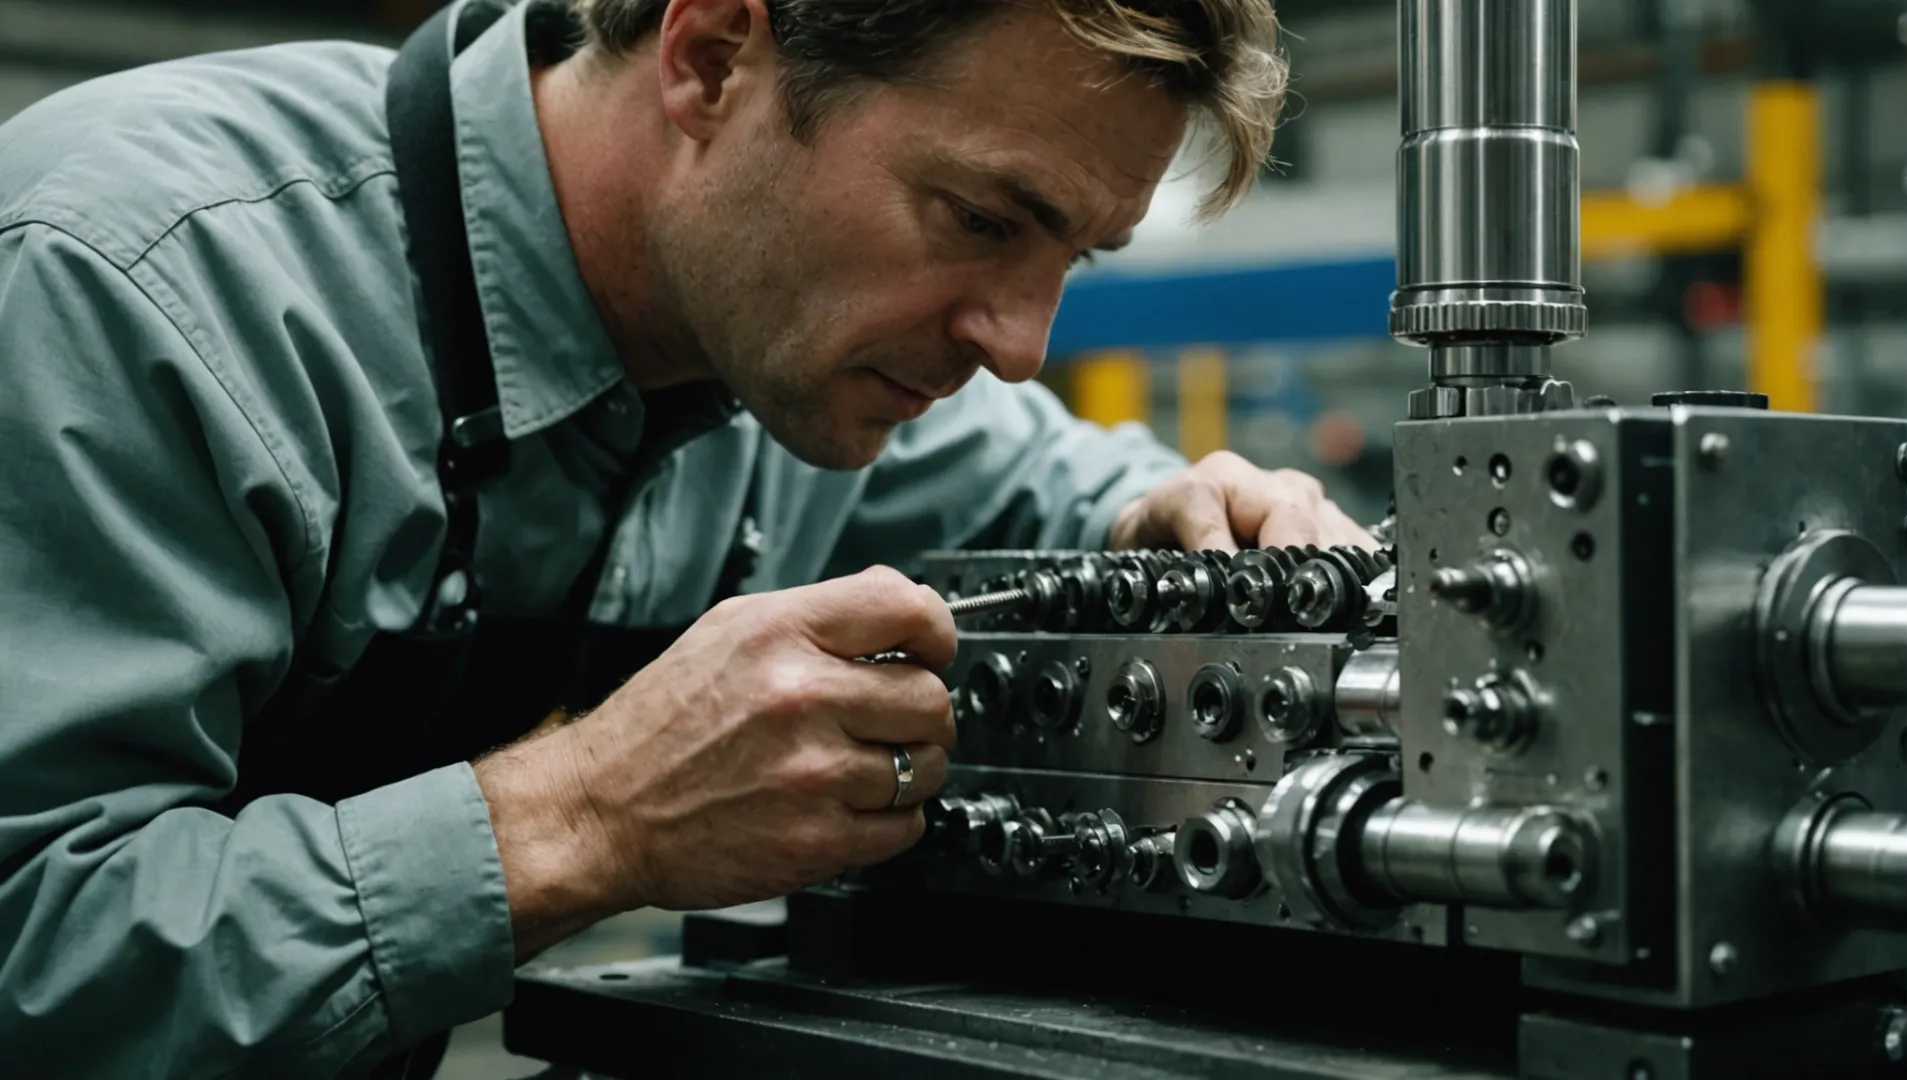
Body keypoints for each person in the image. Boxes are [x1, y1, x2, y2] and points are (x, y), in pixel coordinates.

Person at [0, 0, 1371, 1075]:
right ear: (714, 54)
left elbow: (1082, 496)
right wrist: (594, 815)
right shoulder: (135, 285)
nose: (1020, 344)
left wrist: (1186, 527)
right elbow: (35, 956)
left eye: (1072, 255)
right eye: (982, 219)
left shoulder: (782, 349)